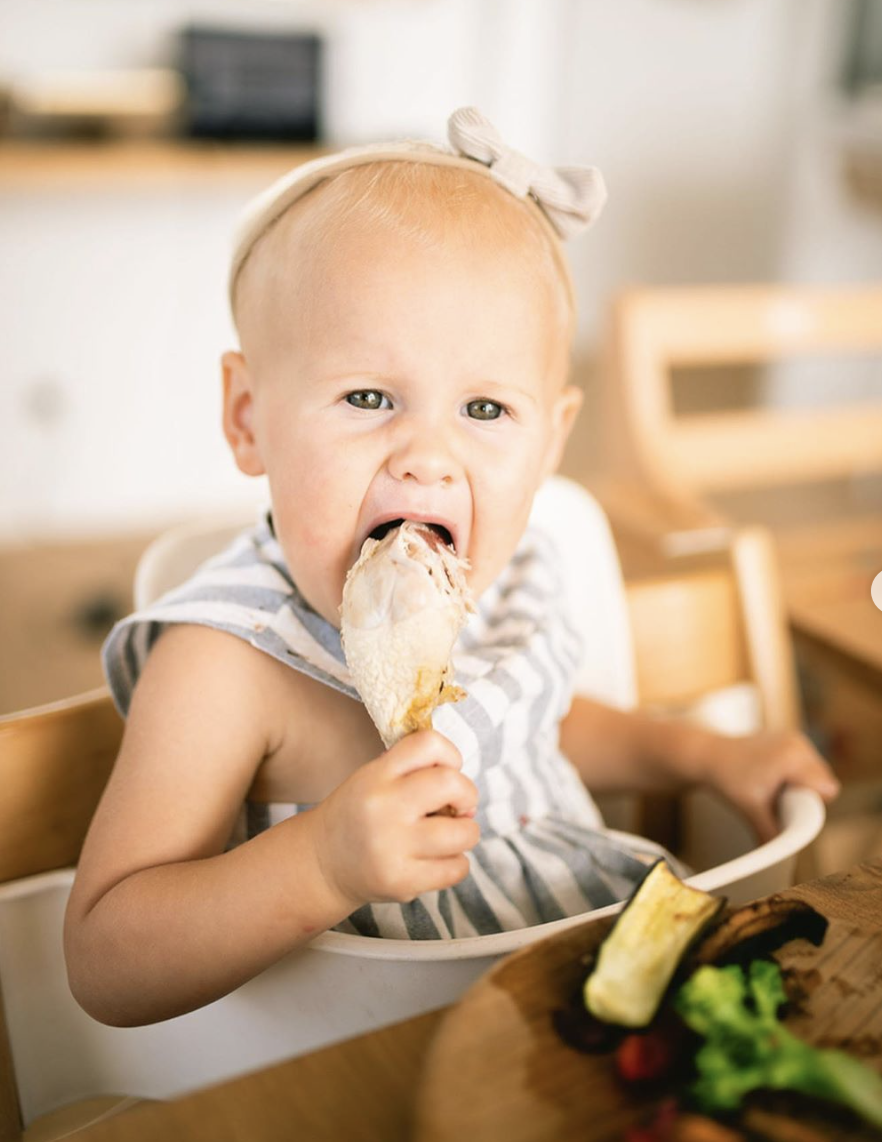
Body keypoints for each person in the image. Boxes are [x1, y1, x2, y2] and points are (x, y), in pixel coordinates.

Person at [64, 107, 839, 1028]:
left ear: (553, 441)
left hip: (588, 984)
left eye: (484, 409)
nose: (426, 458)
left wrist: (703, 753)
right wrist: (320, 864)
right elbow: (106, 959)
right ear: (247, 418)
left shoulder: (502, 579)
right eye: (367, 396)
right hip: (377, 1043)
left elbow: (526, 725)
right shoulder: (226, 665)